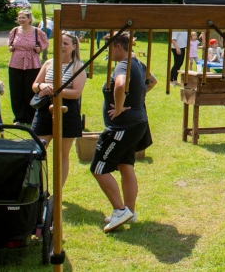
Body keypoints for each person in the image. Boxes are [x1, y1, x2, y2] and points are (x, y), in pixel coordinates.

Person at [91, 32, 156, 232]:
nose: (107, 52)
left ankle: (120, 211)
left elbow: (119, 85)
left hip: (123, 127)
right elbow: (152, 81)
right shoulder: (137, 62)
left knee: (99, 168)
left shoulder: (123, 64)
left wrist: (120, 108)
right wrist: (135, 100)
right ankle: (130, 211)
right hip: (136, 123)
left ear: (118, 47)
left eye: (108, 46)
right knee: (125, 165)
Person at [31, 32, 85, 186]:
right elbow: (35, 85)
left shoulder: (78, 66)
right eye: (59, 43)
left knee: (62, 154)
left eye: (66, 44)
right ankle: (38, 187)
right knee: (37, 150)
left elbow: (75, 94)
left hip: (67, 111)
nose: (61, 46)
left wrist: (55, 90)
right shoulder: (49, 63)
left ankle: (57, 191)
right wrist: (42, 86)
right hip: (44, 110)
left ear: (74, 47)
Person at [8, 9, 49, 125]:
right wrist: (11, 48)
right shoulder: (15, 31)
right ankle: (19, 118)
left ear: (30, 19)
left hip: (32, 63)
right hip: (16, 63)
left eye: (23, 18)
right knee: (16, 91)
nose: (21, 20)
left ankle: (31, 117)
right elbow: (10, 43)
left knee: (30, 90)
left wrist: (39, 49)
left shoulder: (37, 32)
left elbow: (45, 43)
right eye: (19, 18)